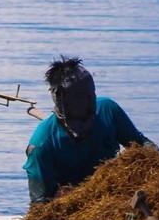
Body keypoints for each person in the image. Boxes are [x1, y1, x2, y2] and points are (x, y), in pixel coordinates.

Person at [23, 57, 152, 203]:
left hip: (110, 195)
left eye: (91, 94)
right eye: (80, 98)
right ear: (63, 101)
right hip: (73, 208)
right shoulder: (41, 145)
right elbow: (39, 205)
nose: (90, 102)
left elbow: (141, 145)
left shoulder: (107, 111)